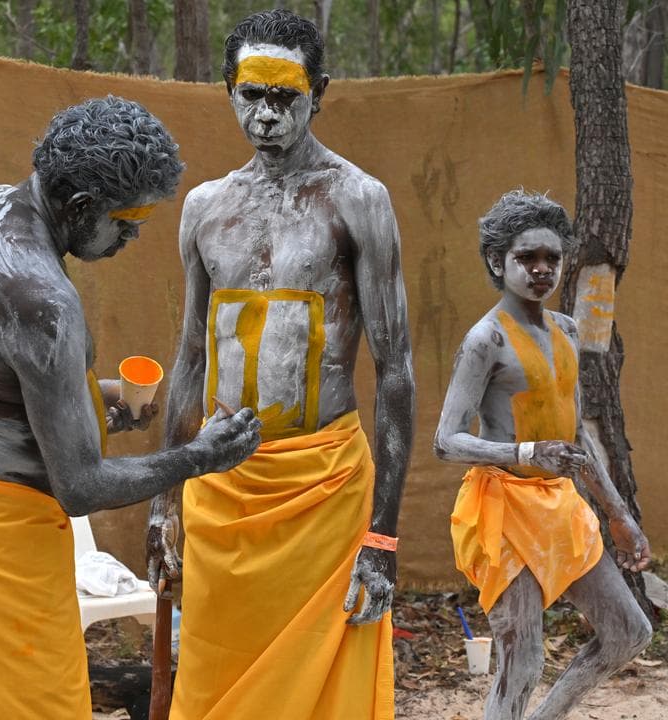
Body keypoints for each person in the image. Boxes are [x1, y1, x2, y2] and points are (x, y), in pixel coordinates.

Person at [0, 95, 263, 719]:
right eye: (123, 222)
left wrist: (81, 400)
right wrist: (199, 457)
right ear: (77, 207)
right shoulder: (46, 300)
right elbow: (79, 486)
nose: (132, 236)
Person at [146, 9, 414, 718]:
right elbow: (191, 359)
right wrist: (164, 500)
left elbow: (396, 373)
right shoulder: (204, 207)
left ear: (319, 91)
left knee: (326, 693)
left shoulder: (359, 199)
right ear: (227, 90)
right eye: (251, 95)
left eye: (285, 97)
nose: (266, 115)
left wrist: (382, 538)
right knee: (213, 688)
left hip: (324, 493)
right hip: (222, 491)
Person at [433, 190, 651, 720]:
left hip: (561, 507)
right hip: (504, 509)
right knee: (522, 658)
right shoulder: (485, 339)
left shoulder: (567, 331)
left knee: (629, 632)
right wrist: (526, 450)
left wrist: (619, 516)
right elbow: (446, 440)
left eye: (551, 258)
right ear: (497, 261)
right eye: (527, 257)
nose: (540, 269)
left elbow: (575, 437)